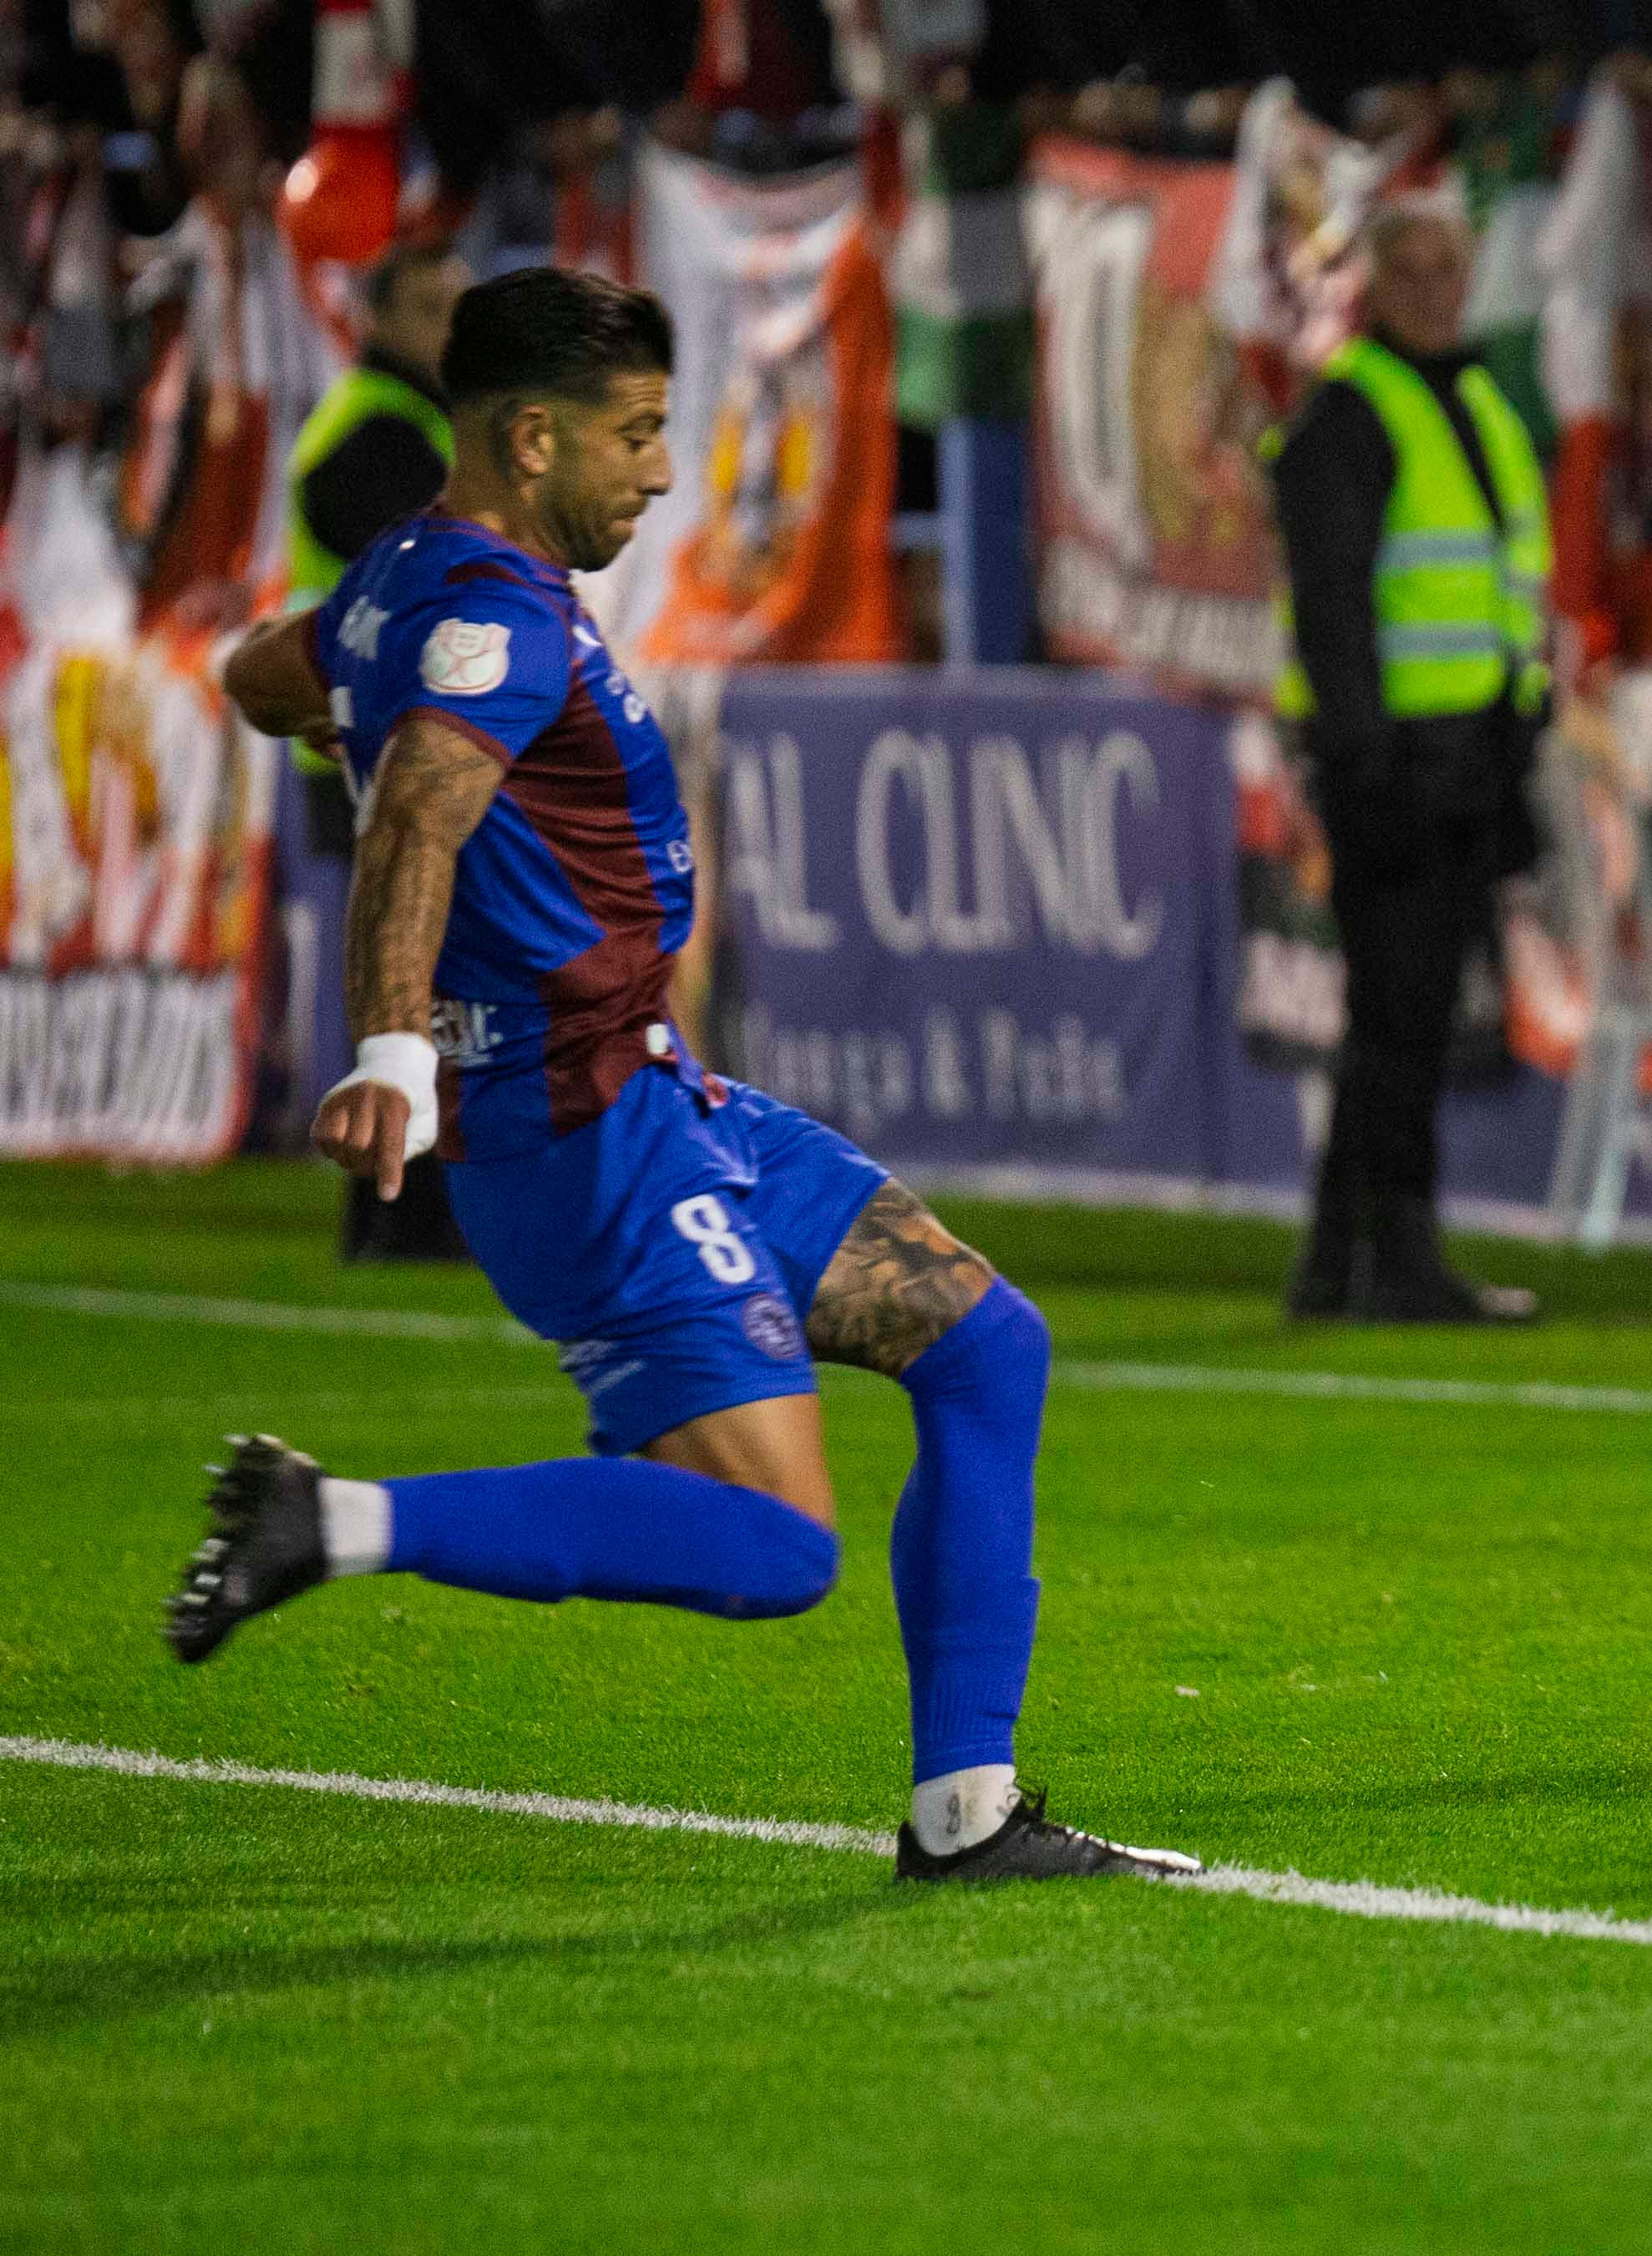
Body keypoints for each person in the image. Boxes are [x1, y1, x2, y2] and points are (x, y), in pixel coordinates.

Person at [168, 266, 1195, 1883]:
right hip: (583, 1147)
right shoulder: (494, 619)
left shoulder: (402, 586)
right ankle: (337, 1520)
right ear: (526, 439)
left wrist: (349, 711)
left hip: (662, 1102)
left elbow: (256, 677)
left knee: (989, 1347)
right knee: (781, 1548)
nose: (659, 472)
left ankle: (966, 1814)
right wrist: (386, 1051)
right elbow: (418, 817)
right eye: (635, 436)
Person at [1267, 200, 1547, 1325]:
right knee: (1401, 1019)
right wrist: (1362, 768)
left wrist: (1521, 723)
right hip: (1396, 769)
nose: (1437, 286)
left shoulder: (1476, 400)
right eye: (1413, 267)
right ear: (1375, 280)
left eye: (1451, 265)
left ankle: (1340, 1261)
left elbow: (1504, 588)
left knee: (1397, 1021)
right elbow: (1332, 612)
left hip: (1467, 761)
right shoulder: (1352, 412)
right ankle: (1400, 1258)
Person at [284, 241, 477, 1265]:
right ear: (382, 319)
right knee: (417, 983)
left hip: (390, 748)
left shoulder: (407, 426)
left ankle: (405, 1216)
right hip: (372, 750)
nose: (455, 325)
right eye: (435, 305)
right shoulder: (373, 437)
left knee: (423, 983)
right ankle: (405, 1218)